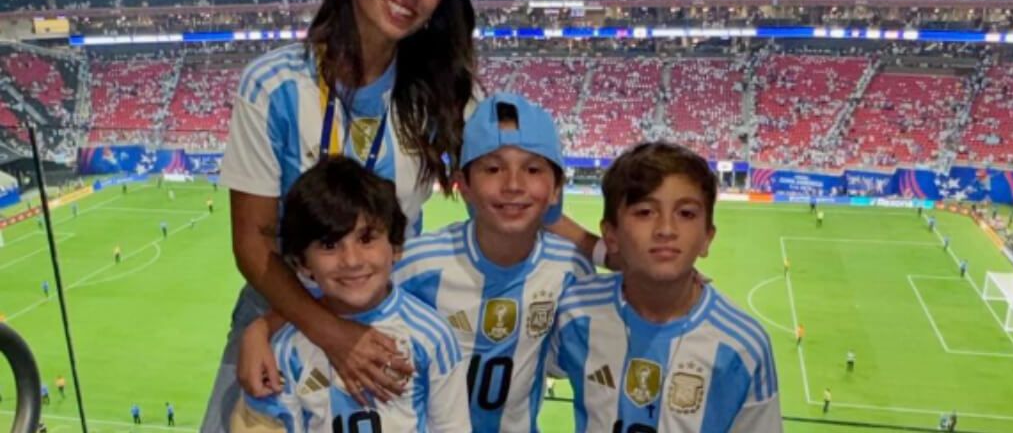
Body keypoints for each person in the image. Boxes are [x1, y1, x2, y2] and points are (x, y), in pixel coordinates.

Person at [200, 0, 480, 433]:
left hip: (385, 322)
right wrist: (327, 333)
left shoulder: (443, 98)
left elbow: (517, 185)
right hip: (274, 324)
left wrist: (600, 243)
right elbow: (252, 240)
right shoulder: (274, 85)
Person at [240, 94, 593, 433]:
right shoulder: (420, 261)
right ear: (462, 185)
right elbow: (336, 291)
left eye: (532, 169)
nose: (513, 185)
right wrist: (262, 328)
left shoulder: (570, 269)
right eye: (493, 168)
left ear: (557, 188)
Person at [551, 142, 781, 432]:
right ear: (611, 235)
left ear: (707, 237)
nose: (666, 230)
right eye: (645, 211)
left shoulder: (743, 346)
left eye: (685, 213)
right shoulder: (574, 312)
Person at [233, 156, 469, 432]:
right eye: (330, 245)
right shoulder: (285, 350)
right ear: (302, 263)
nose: (352, 261)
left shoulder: (432, 336)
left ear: (395, 246)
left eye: (366, 239)